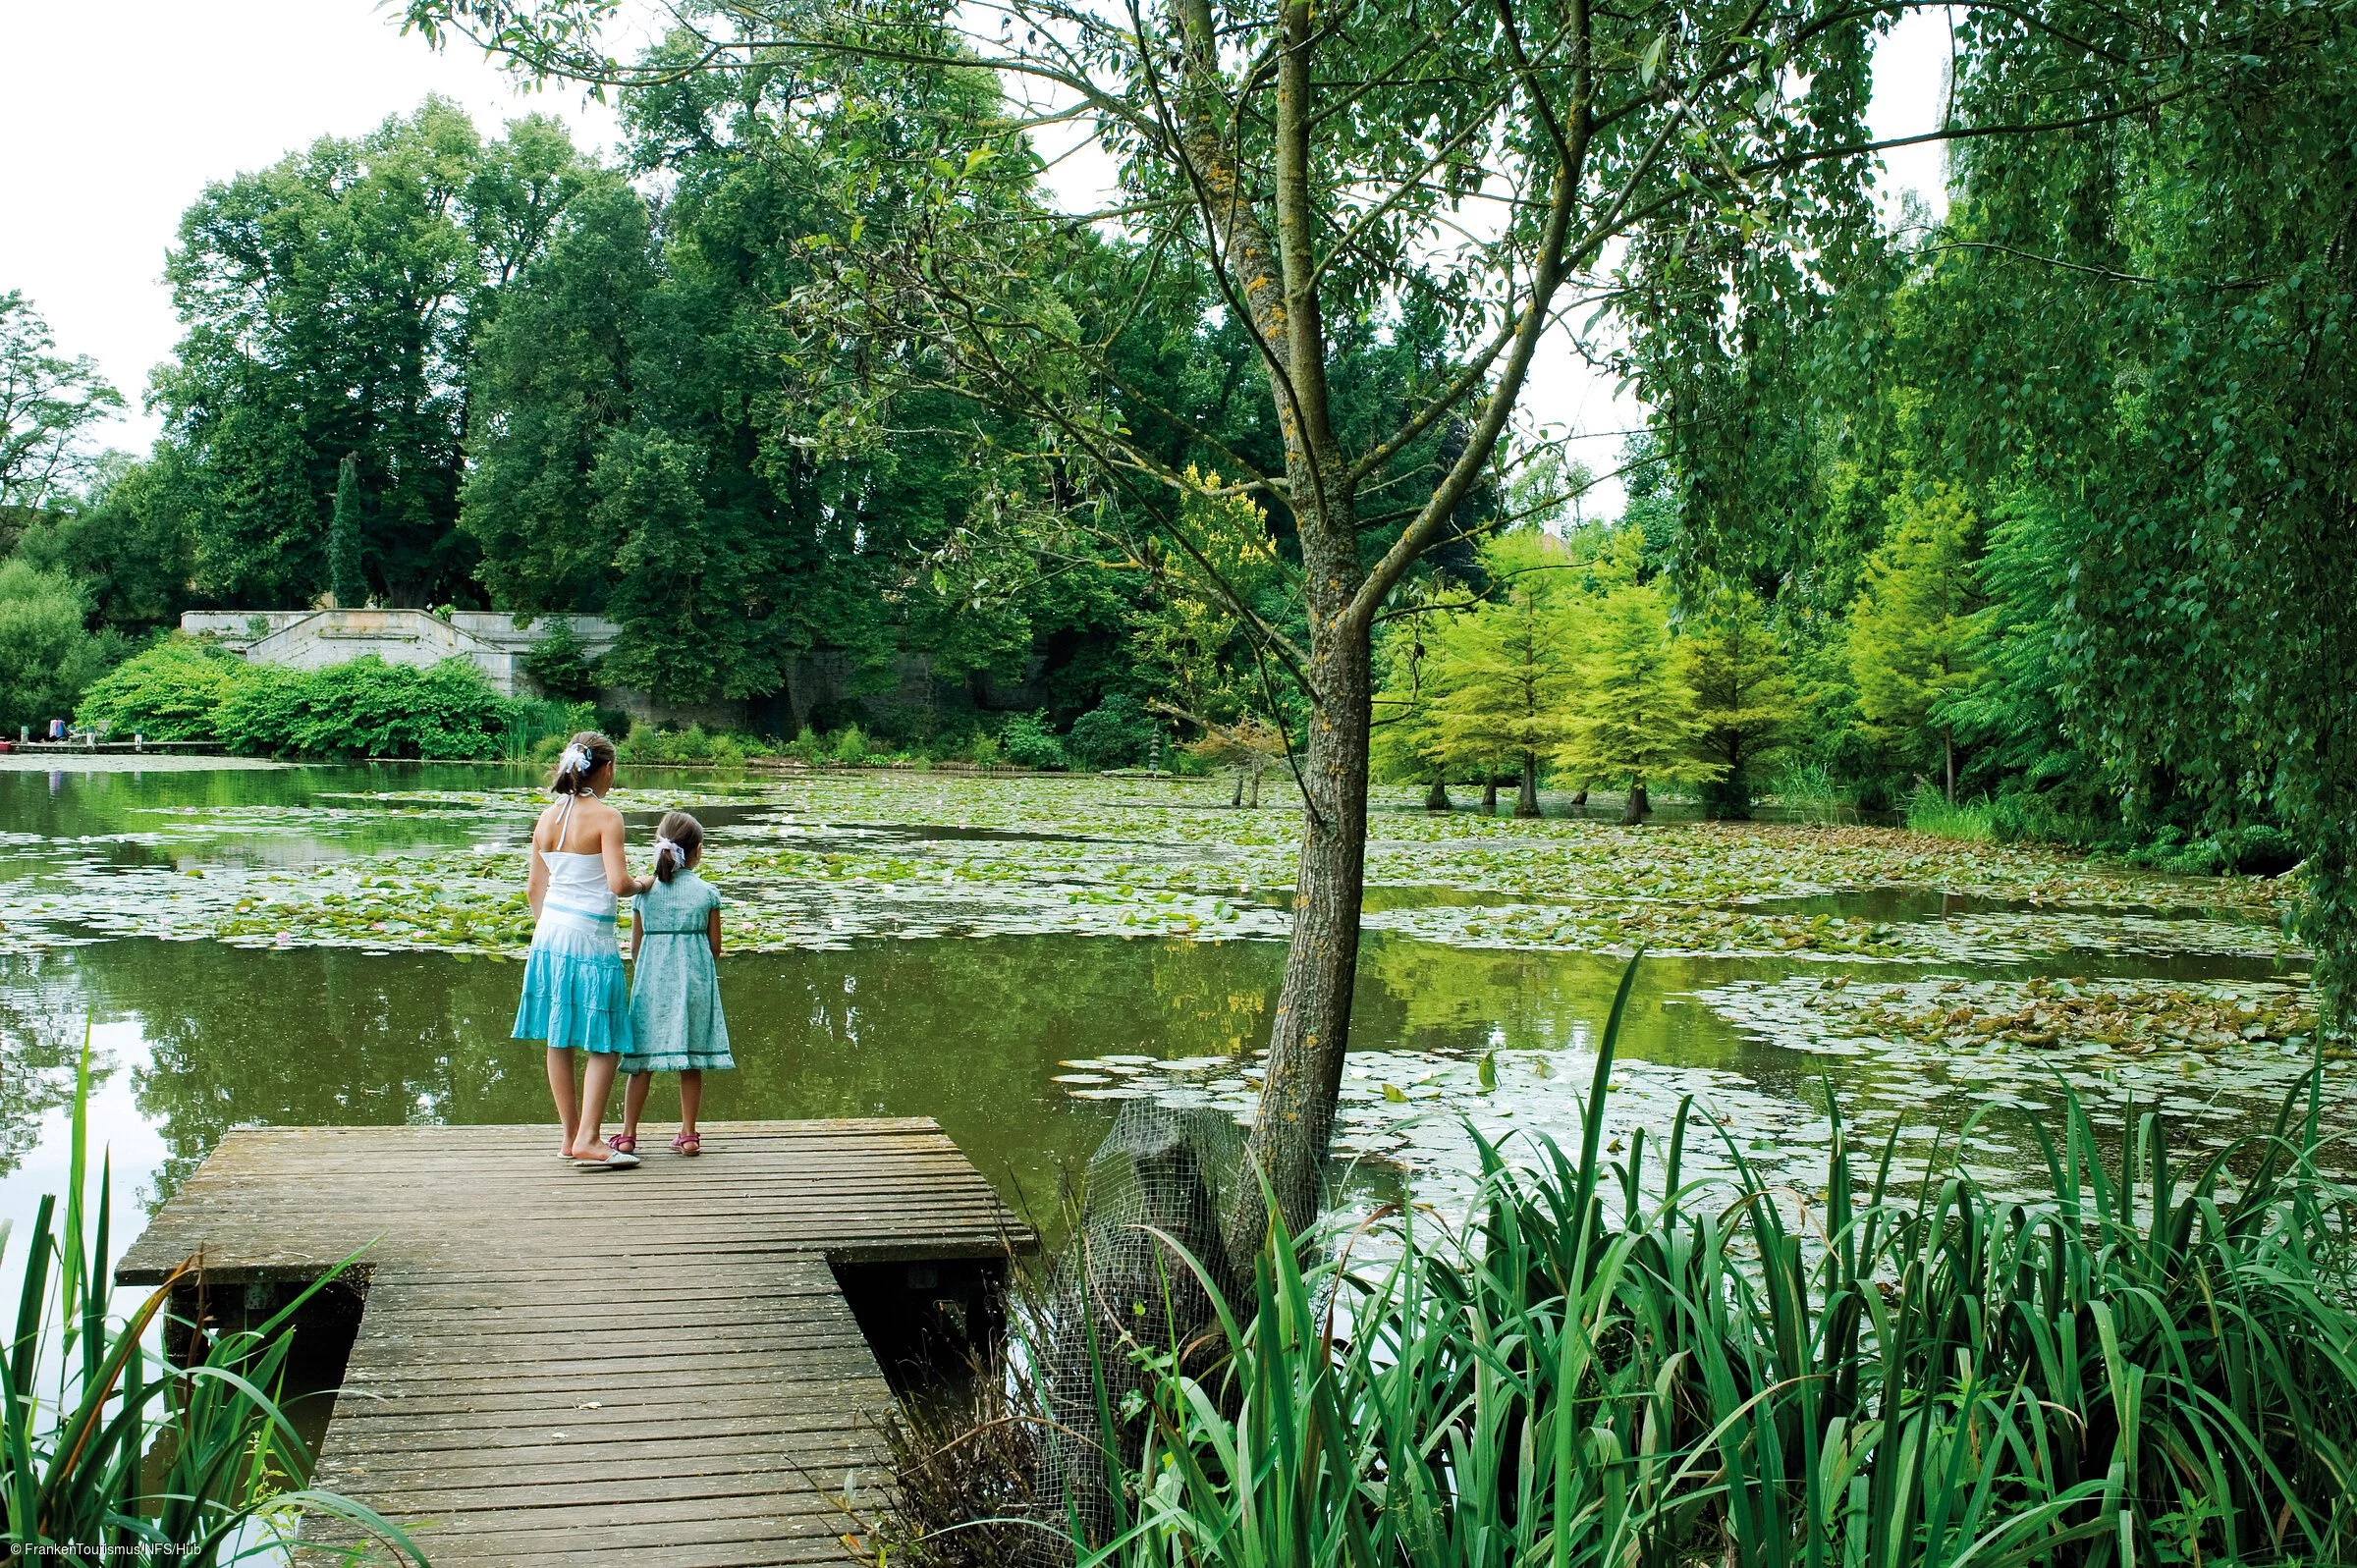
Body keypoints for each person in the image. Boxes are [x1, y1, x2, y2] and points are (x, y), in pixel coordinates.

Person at [512, 731, 652, 1170]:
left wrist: (551, 929)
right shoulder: (607, 818)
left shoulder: (546, 819)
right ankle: (590, 1139)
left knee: (559, 1036)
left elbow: (535, 888)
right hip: (589, 937)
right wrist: (646, 883)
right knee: (605, 1040)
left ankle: (569, 1136)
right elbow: (618, 884)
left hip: (549, 934)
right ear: (607, 768)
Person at [618, 811, 734, 1157]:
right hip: (694, 982)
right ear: (698, 850)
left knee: (641, 1063)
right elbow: (715, 948)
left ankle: (627, 1135)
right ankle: (688, 1134)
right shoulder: (707, 893)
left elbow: (635, 947)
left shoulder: (644, 893)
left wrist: (648, 969)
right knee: (692, 1060)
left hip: (651, 982)